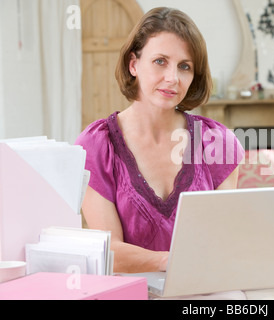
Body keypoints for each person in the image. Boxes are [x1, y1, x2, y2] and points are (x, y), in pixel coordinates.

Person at [76, 7, 244, 274]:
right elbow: (109, 252)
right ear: (134, 64)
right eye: (160, 61)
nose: (172, 78)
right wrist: (169, 261)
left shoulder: (218, 142)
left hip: (202, 291)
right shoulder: (96, 145)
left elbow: (223, 238)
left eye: (184, 66)